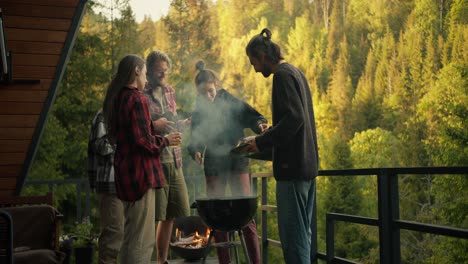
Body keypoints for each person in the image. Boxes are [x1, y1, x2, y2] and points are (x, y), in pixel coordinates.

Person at [242, 28, 319, 264]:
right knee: (302, 238)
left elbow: (295, 119)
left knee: (294, 242)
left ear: (262, 56)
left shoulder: (281, 76)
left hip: (292, 171)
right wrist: (273, 130)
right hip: (306, 168)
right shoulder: (295, 72)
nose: (254, 68)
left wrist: (259, 141)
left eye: (253, 62)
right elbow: (294, 119)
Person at [102, 54, 181, 264]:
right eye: (146, 73)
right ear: (137, 71)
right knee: (142, 242)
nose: (146, 79)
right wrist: (165, 141)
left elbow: (129, 137)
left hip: (126, 175)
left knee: (130, 238)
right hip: (141, 176)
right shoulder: (137, 98)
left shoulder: (118, 97)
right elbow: (143, 142)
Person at [188, 60, 267, 264]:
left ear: (217, 84)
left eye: (211, 91)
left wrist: (259, 125)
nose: (208, 96)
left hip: (236, 161)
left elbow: (252, 115)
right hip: (213, 165)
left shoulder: (229, 100)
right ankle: (225, 262)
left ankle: (255, 262)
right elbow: (195, 139)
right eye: (203, 93)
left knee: (246, 214)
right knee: (217, 216)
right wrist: (195, 151)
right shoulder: (199, 110)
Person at [144, 50, 190, 264]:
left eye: (165, 72)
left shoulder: (170, 91)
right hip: (156, 160)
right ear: (149, 70)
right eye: (159, 72)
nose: (163, 76)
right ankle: (150, 259)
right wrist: (154, 125)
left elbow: (170, 120)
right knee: (156, 214)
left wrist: (180, 124)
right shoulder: (141, 94)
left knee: (173, 212)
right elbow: (136, 127)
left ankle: (162, 260)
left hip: (176, 157)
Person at [87, 109, 124, 264]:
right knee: (112, 237)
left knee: (121, 237)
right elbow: (100, 145)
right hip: (110, 184)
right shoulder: (106, 114)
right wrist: (127, 142)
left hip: (124, 184)